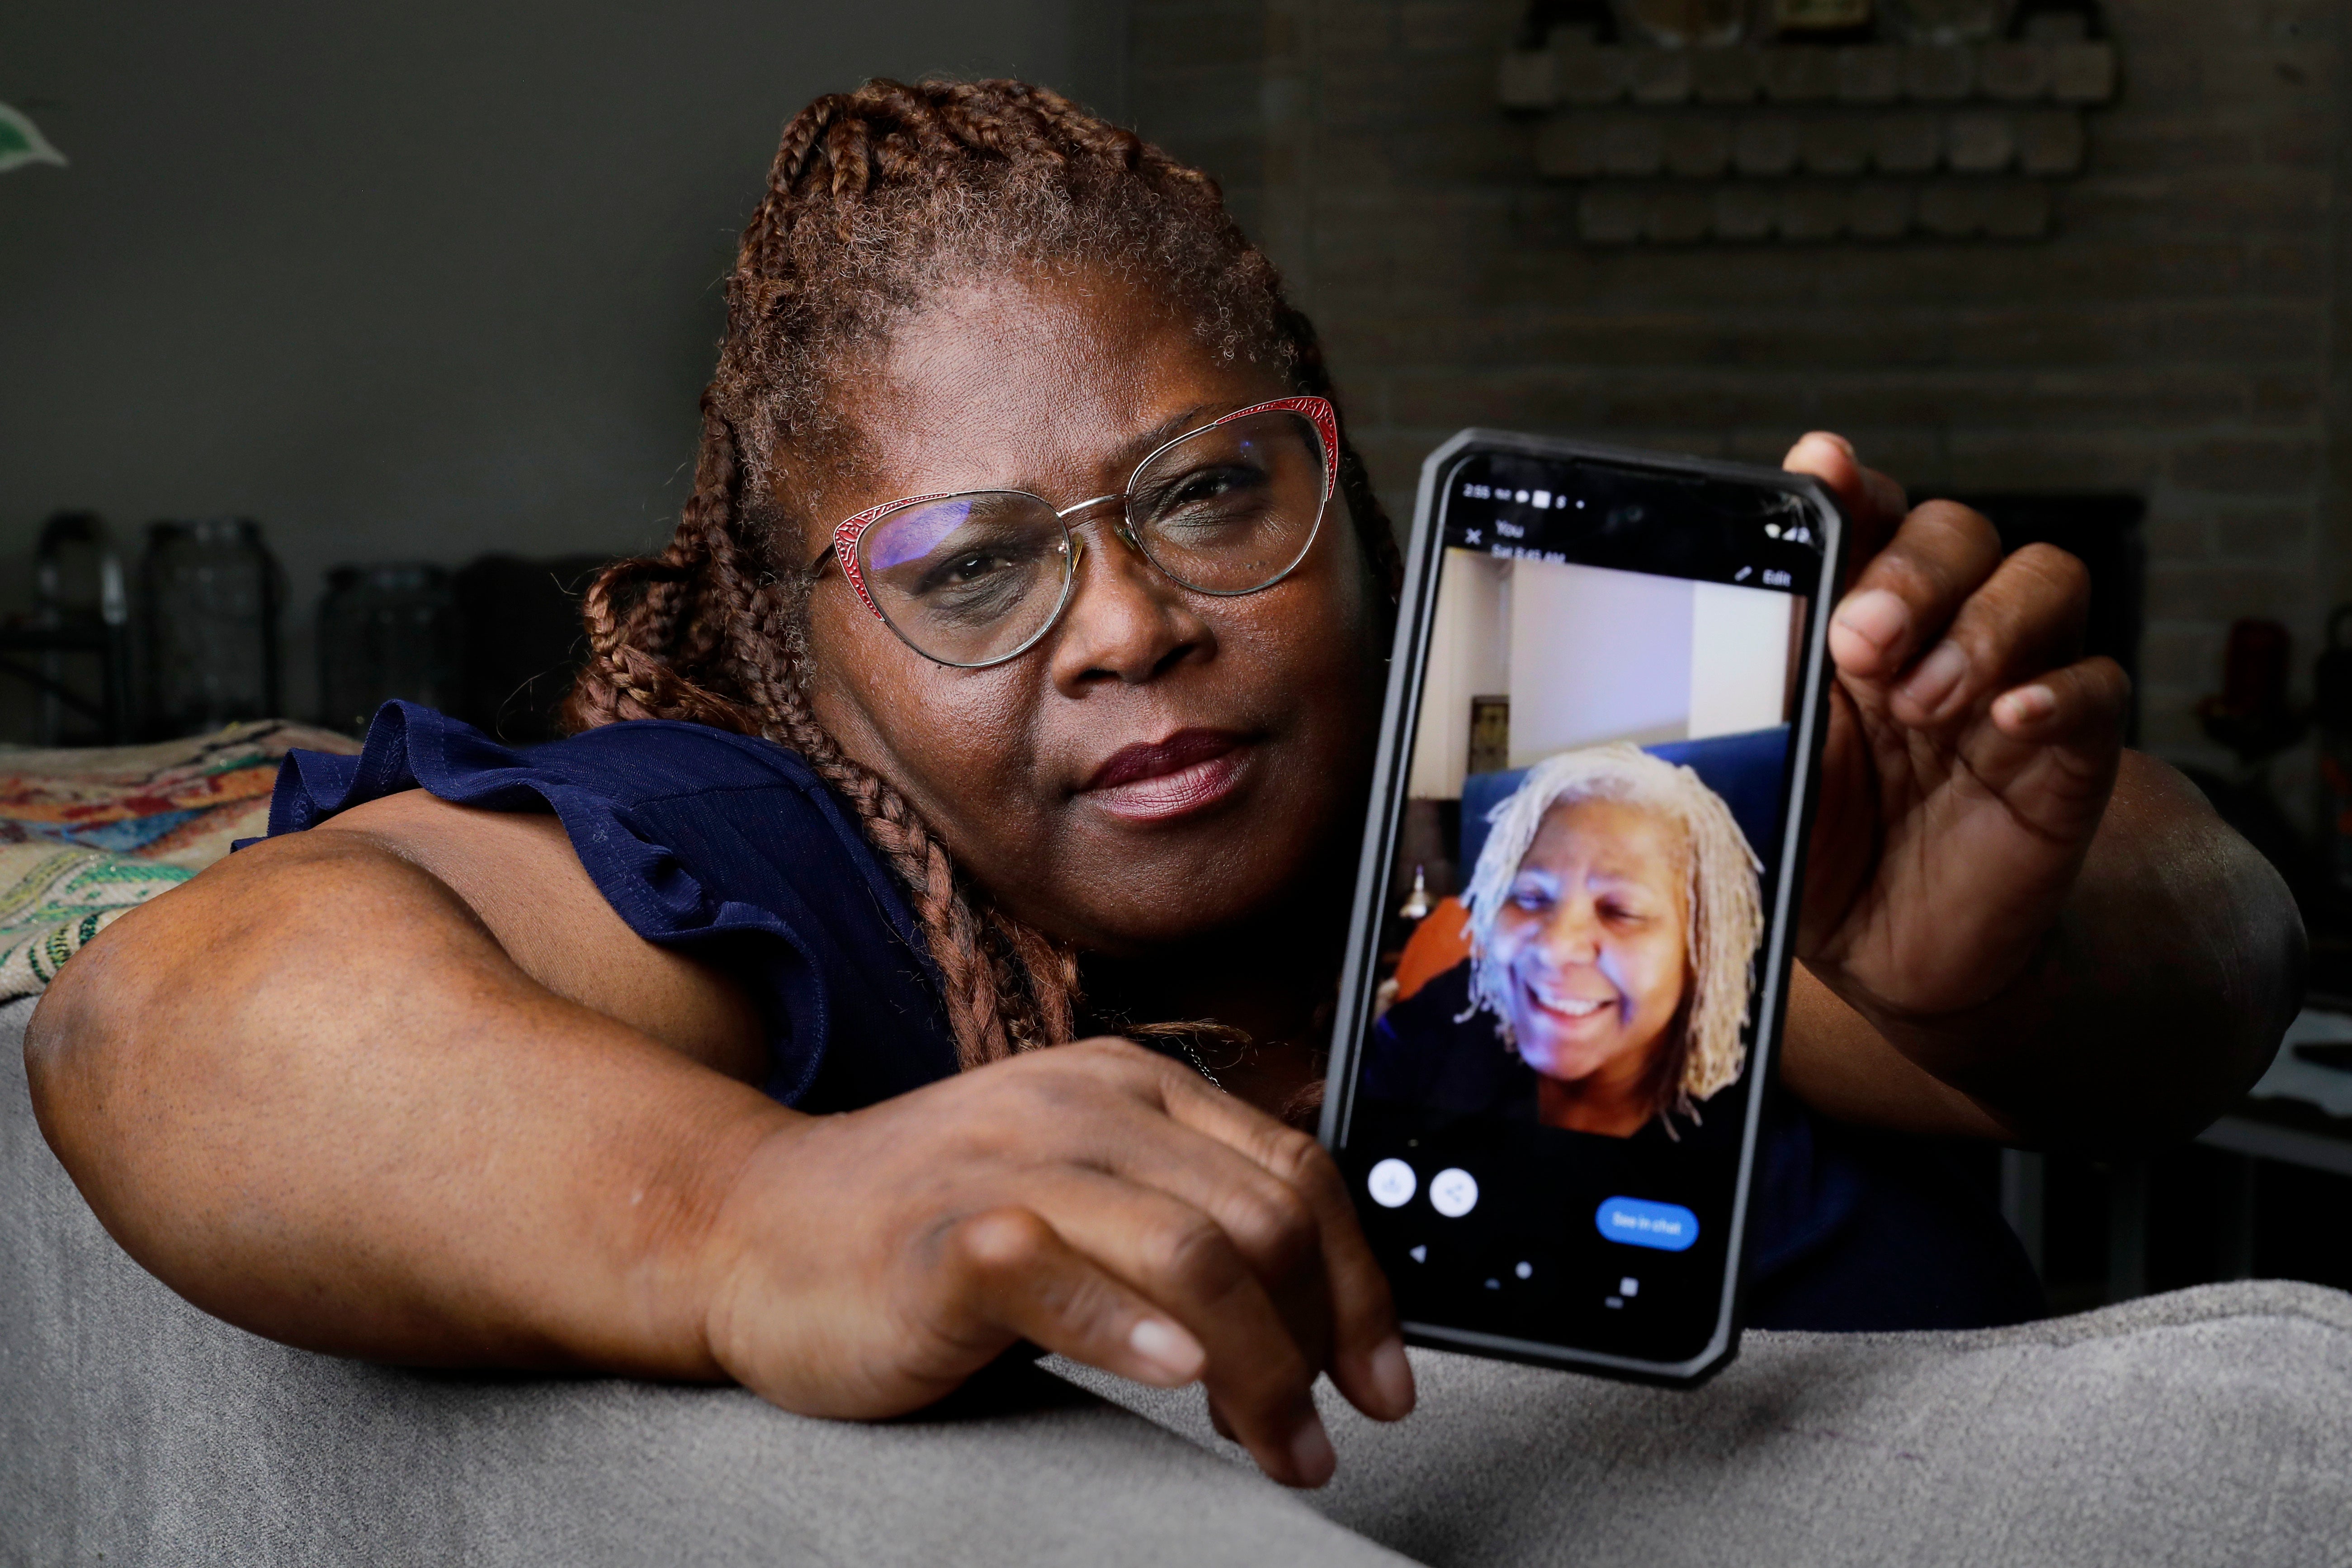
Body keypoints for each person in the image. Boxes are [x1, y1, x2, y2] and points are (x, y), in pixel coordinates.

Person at [24, 79, 2302, 1491]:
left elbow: (2218, 965)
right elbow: (183, 1016)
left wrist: (1998, 946)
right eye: (969, 566)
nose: (1123, 625)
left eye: (1206, 493)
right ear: (798, 649)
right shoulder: (794, 865)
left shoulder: (1558, 794)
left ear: (1334, 478)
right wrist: (743, 1222)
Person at [1368, 744, 1761, 1140]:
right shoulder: (1447, 1020)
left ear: (1701, 949)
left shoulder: (1753, 1146)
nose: (1555, 948)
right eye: (1529, 897)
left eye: (1621, 911)